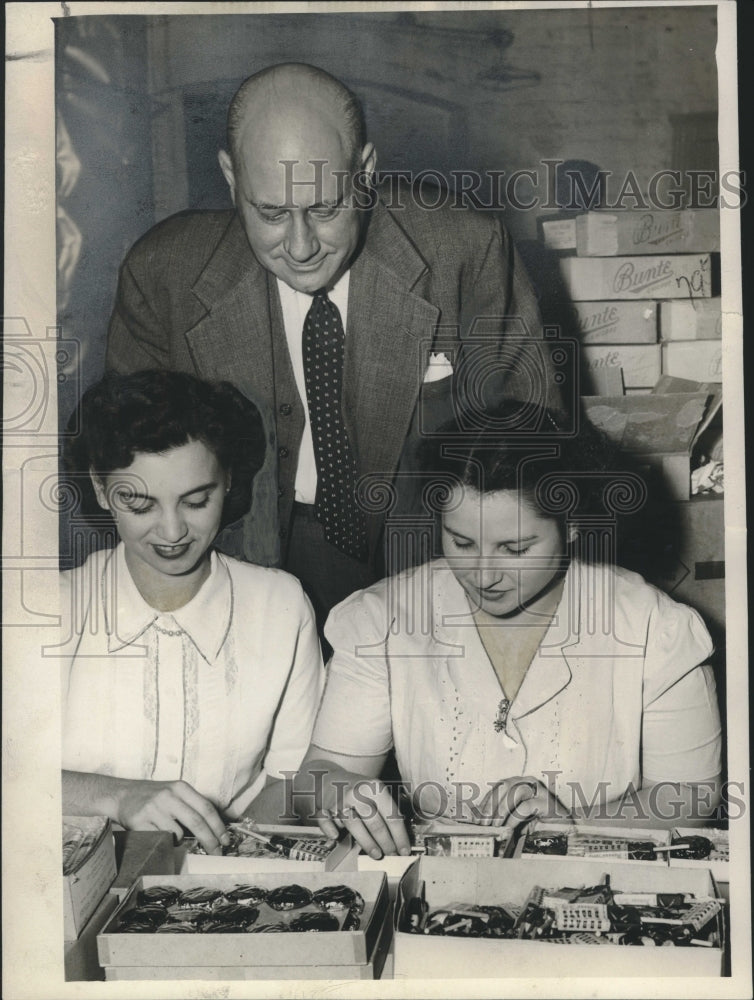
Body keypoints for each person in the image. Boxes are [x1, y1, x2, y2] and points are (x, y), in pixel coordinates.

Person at [106, 61, 561, 632]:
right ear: (230, 177)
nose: (300, 247)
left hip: (430, 563)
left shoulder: (464, 250)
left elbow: (535, 447)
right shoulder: (162, 272)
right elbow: (124, 472)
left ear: (364, 172)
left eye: (325, 209)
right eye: (271, 213)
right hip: (237, 565)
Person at [292, 402, 722, 858]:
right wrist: (337, 788)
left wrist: (574, 824)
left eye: (514, 549)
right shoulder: (384, 619)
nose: (483, 574)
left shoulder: (654, 627)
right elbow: (318, 774)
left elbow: (691, 796)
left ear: (573, 525)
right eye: (461, 542)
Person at [59, 370, 323, 854]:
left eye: (197, 500)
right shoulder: (48, 610)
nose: (172, 531)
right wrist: (115, 796)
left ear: (228, 481)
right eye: (140, 504)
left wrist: (221, 862)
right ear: (100, 489)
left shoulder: (281, 607)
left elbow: (290, 778)